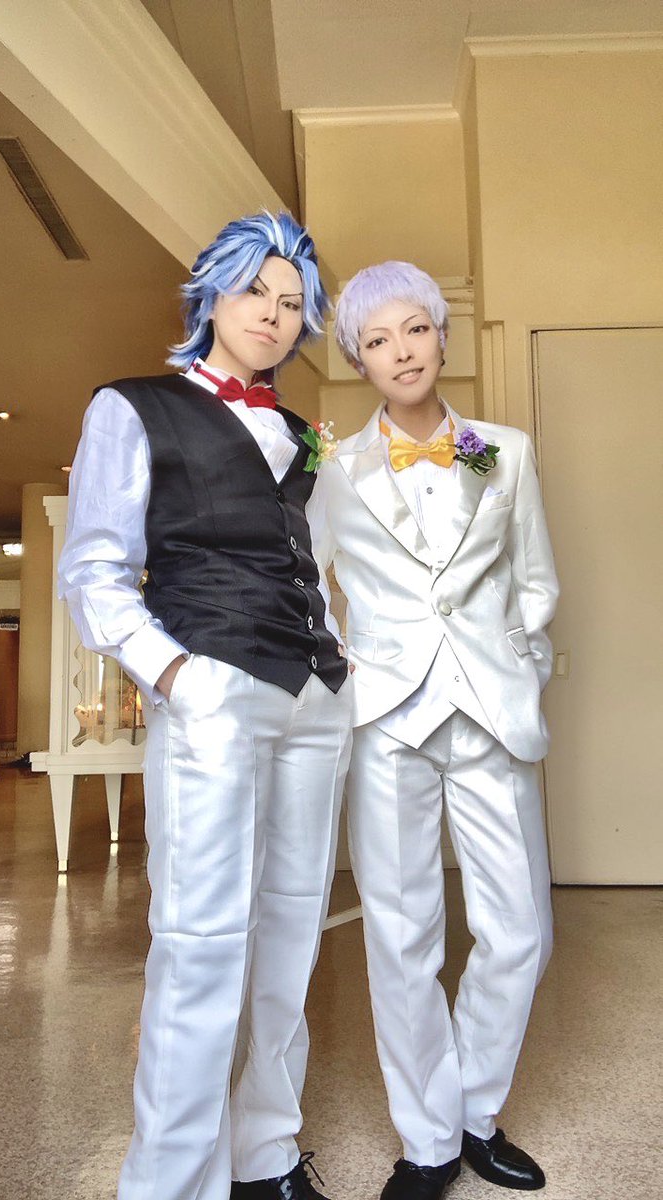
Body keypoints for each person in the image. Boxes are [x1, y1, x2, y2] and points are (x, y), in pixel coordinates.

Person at [59, 211, 353, 1200]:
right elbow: (95, 567)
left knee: (292, 935)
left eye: (291, 302)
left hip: (312, 696)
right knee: (199, 942)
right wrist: (176, 675)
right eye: (253, 291)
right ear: (210, 294)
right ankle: (173, 1183)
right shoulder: (132, 406)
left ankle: (267, 1153)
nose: (272, 314)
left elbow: (309, 559)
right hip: (214, 688)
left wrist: (340, 658)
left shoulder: (306, 438)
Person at [309, 261, 558, 1197]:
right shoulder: (334, 469)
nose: (401, 352)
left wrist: (520, 667)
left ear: (441, 337)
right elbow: (309, 587)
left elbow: (534, 579)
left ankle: (473, 1112)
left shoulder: (501, 453)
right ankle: (427, 1141)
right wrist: (348, 672)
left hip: (491, 712)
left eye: (414, 329)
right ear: (358, 363)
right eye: (376, 341)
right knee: (401, 934)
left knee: (519, 929)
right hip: (386, 720)